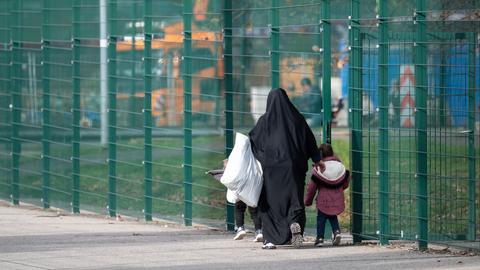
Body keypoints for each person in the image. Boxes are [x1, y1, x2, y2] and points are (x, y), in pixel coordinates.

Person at [249, 88, 321, 249]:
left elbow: (253, 141)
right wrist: (317, 159)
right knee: (294, 198)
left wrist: (261, 158)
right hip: (294, 167)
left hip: (271, 168)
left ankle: (270, 239)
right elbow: (310, 141)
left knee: (270, 202)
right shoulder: (297, 119)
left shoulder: (264, 121)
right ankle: (294, 223)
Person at [304, 143, 350, 247]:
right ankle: (337, 232)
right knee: (333, 216)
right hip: (337, 199)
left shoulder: (319, 170)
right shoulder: (340, 167)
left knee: (321, 219)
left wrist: (308, 201)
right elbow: (346, 182)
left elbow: (312, 188)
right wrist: (339, 189)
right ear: (331, 152)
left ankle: (320, 239)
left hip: (323, 201)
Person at [207, 160, 263, 242]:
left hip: (237, 190)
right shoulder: (251, 162)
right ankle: (258, 230)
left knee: (239, 209)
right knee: (254, 209)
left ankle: (240, 228)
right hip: (249, 188)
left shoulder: (234, 163)